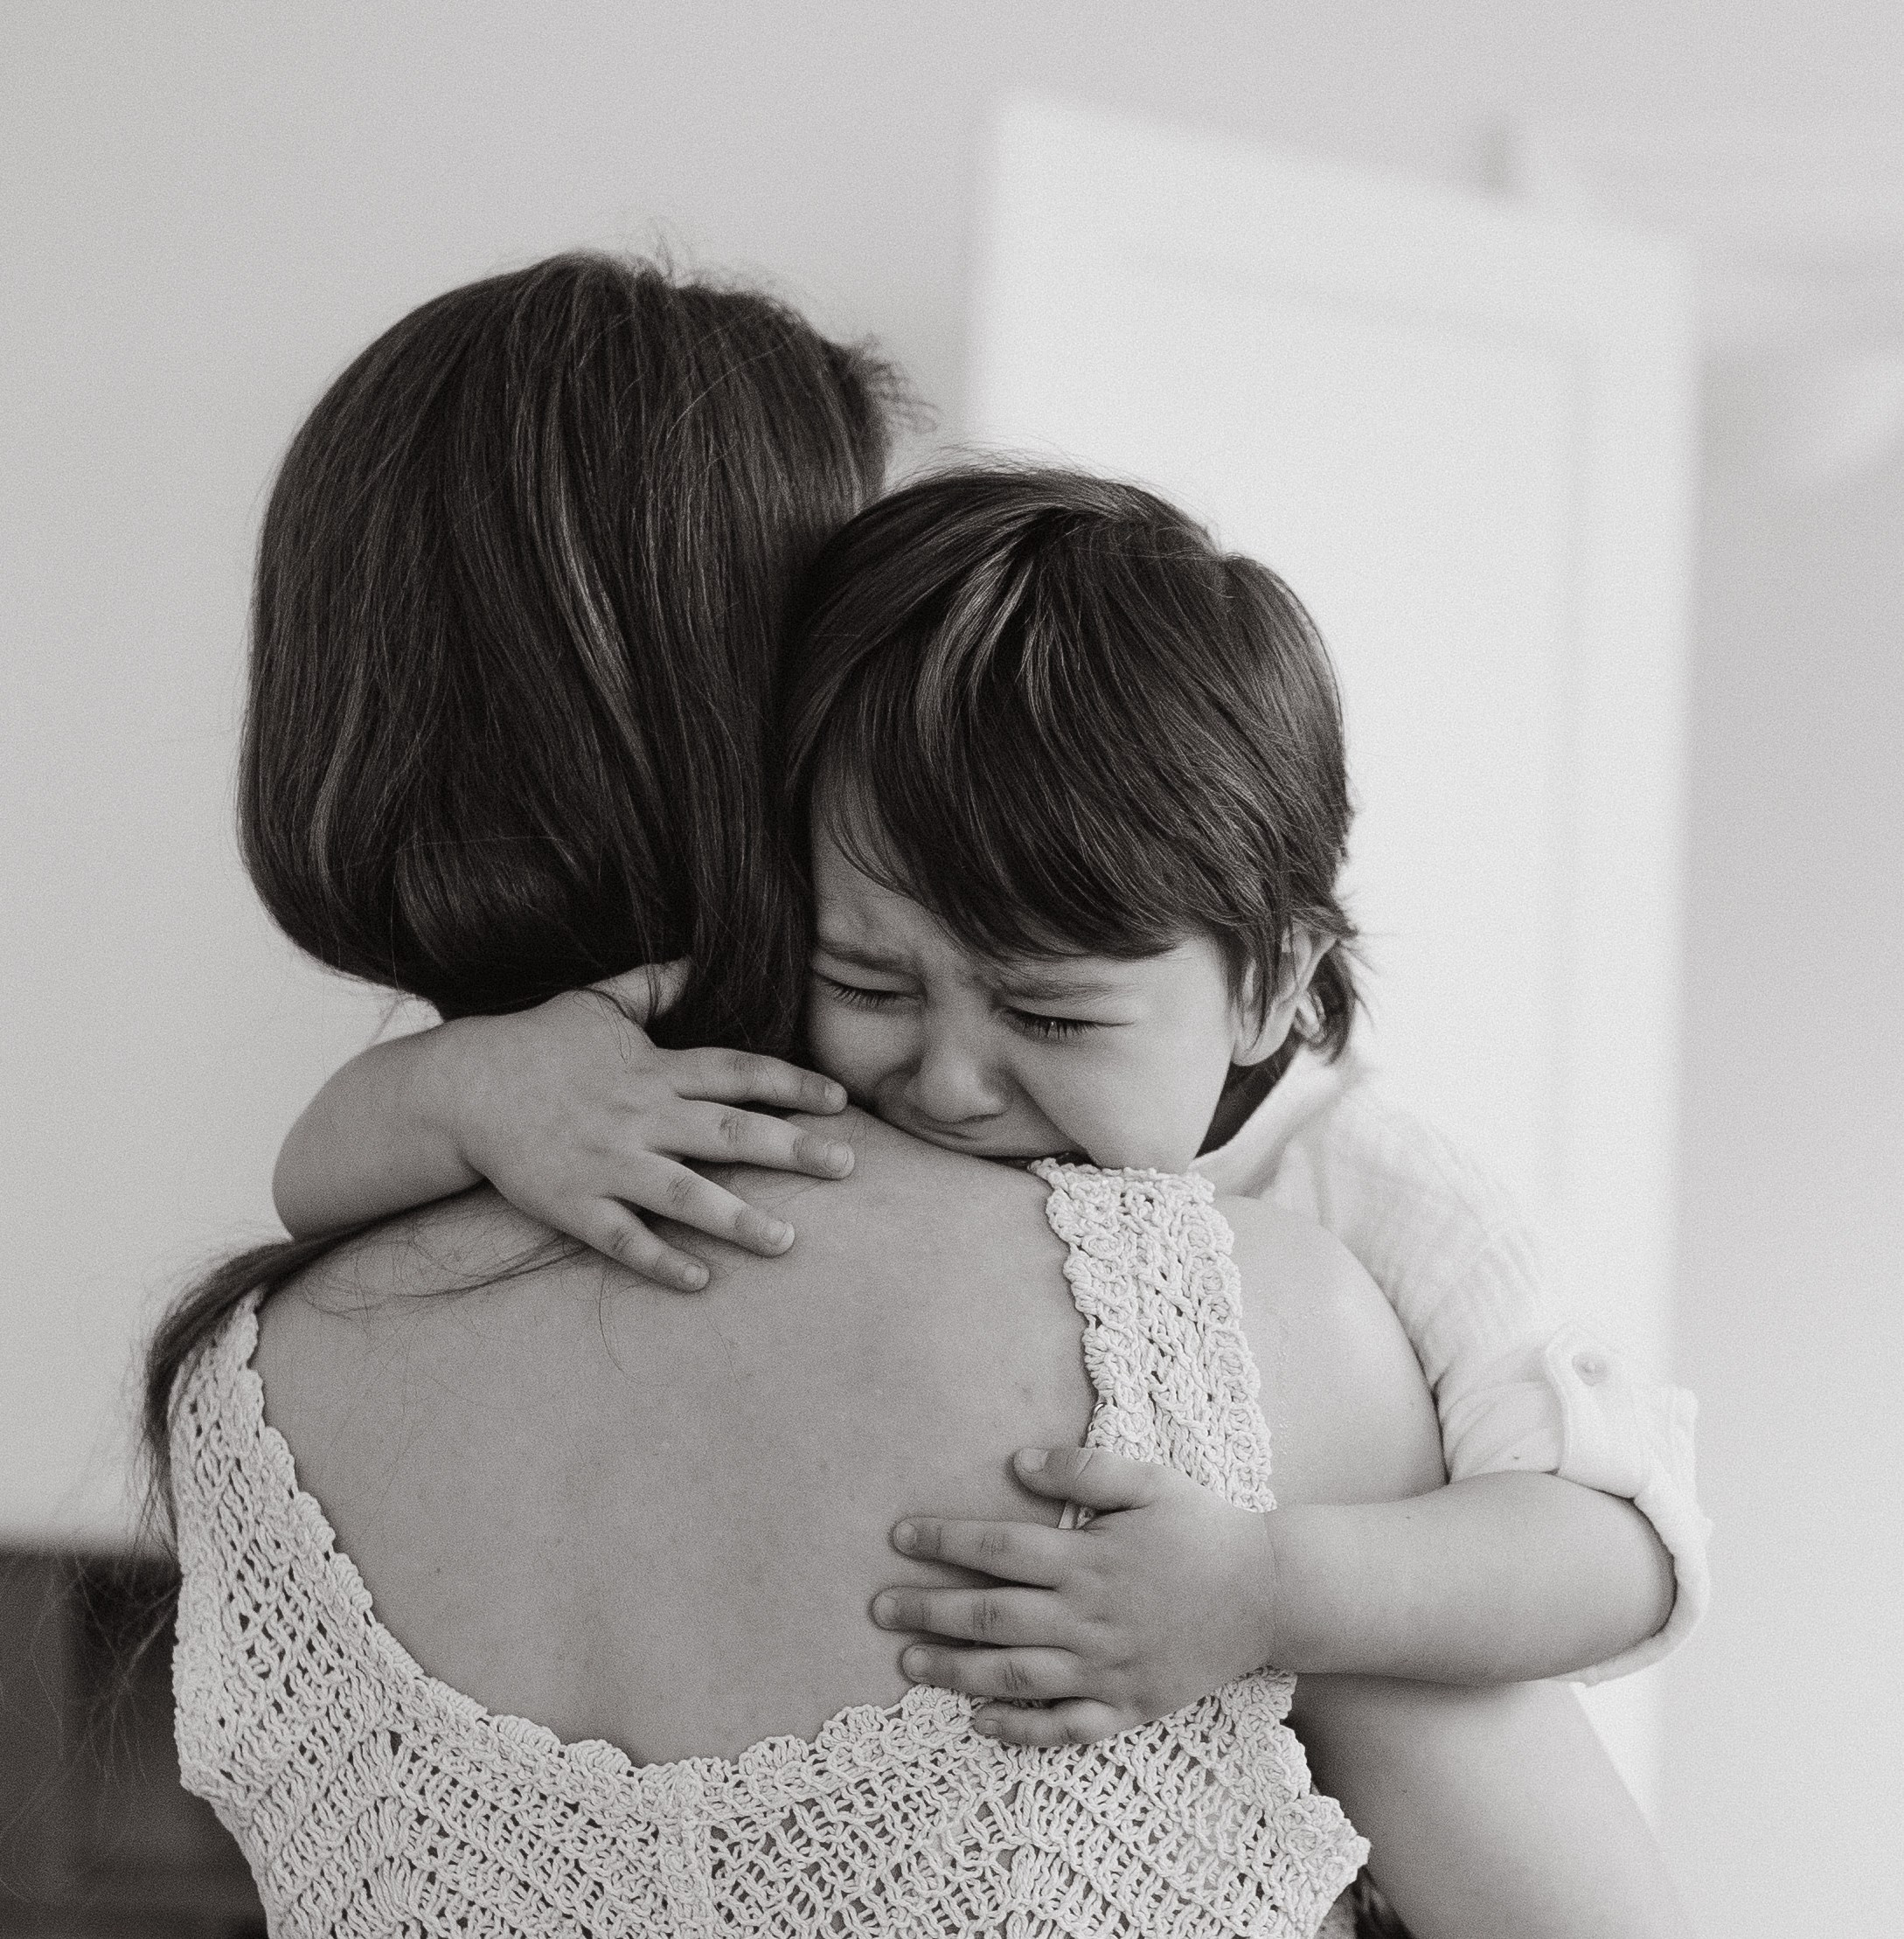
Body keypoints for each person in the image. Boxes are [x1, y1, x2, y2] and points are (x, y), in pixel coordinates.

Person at [148, 253, 1687, 1936]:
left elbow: (1617, 1541)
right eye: (869, 610)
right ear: (757, 708)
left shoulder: (245, 1399)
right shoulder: (1218, 1338)